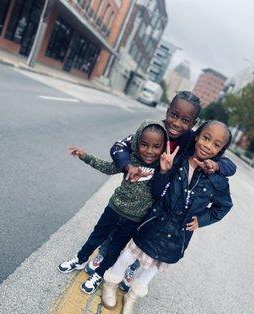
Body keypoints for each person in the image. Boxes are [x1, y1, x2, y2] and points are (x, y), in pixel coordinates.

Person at [86, 92, 237, 287]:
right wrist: (127, 166)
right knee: (119, 228)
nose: (176, 123)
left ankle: (131, 269)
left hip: (161, 200)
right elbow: (120, 145)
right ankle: (104, 254)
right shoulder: (154, 130)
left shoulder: (192, 140)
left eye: (185, 120)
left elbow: (227, 164)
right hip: (137, 194)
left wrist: (217, 166)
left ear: (193, 124)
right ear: (167, 111)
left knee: (144, 238)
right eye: (174, 115)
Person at [101, 120, 233, 314]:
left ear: (221, 151)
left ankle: (133, 296)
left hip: (178, 235)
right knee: (129, 255)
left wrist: (202, 220)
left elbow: (223, 206)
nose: (208, 146)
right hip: (154, 222)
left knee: (154, 267)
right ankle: (111, 282)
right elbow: (156, 192)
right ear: (197, 136)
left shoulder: (218, 179)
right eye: (206, 138)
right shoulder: (178, 159)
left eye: (216, 144)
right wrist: (164, 171)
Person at [58, 120, 170, 294]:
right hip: (113, 209)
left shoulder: (161, 168)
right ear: (137, 142)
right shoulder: (129, 160)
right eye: (144, 144)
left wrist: (163, 171)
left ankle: (99, 274)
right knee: (96, 237)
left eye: (156, 146)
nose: (149, 151)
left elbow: (159, 192)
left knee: (115, 248)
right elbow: (107, 168)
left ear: (163, 148)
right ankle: (80, 259)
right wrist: (85, 156)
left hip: (134, 220)